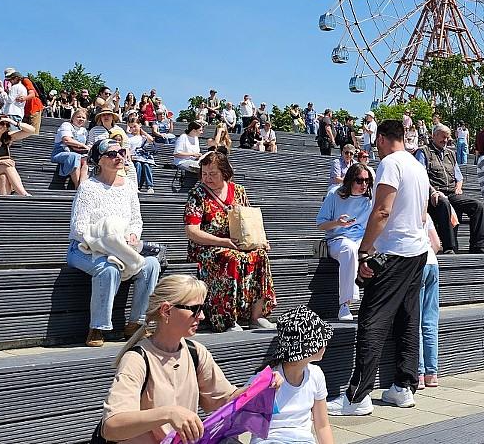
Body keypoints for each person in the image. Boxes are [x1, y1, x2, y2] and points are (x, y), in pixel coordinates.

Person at [100, 275, 283, 444]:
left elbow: (224, 398)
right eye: (195, 309)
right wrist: (168, 414)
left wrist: (261, 386)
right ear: (166, 311)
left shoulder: (196, 352)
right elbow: (111, 427)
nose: (202, 316)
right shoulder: (137, 359)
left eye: (202, 309)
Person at [326, 120, 430, 416]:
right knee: (409, 319)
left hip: (393, 252)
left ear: (383, 138)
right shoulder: (416, 166)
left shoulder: (390, 164)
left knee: (371, 320)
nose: (372, 145)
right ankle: (403, 387)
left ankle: (358, 397)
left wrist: (363, 251)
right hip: (417, 251)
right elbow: (421, 213)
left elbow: (382, 210)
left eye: (374, 140)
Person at [67, 139, 161, 347]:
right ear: (99, 160)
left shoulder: (128, 186)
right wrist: (109, 244)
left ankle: (136, 324)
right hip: (86, 248)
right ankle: (98, 327)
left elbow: (136, 220)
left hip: (121, 248)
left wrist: (134, 235)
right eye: (111, 154)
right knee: (109, 268)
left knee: (152, 265)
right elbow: (79, 229)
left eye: (121, 152)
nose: (118, 156)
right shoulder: (88, 188)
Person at [184, 151, 276, 332]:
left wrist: (260, 241)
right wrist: (223, 241)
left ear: (225, 173)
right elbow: (191, 231)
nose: (207, 178)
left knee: (260, 257)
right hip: (207, 247)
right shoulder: (197, 193)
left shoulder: (239, 191)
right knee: (230, 258)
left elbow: (249, 220)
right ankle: (226, 319)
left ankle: (256, 316)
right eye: (204, 174)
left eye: (213, 174)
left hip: (237, 242)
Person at [255, 306, 334, 444]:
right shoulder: (268, 378)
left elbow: (322, 426)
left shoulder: (316, 375)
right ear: (306, 347)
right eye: (320, 339)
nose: (325, 343)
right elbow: (237, 414)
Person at [316, 162, 373, 321]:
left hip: (361, 239)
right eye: (359, 180)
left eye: (367, 181)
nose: (364, 184)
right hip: (337, 239)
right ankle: (345, 304)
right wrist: (337, 223)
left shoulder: (369, 198)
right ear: (350, 180)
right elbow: (320, 224)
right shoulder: (335, 194)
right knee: (349, 249)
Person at [423, 124, 484, 254]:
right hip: (433, 194)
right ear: (434, 136)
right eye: (443, 137)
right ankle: (450, 247)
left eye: (448, 137)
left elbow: (458, 177)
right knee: (444, 203)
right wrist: (432, 191)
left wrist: (459, 187)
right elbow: (421, 176)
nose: (446, 140)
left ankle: (478, 245)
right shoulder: (424, 152)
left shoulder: (451, 154)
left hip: (451, 192)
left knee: (477, 205)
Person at [417, 206, 442, 391]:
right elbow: (437, 244)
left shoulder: (403, 210)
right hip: (432, 262)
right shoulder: (426, 214)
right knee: (430, 321)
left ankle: (418, 374)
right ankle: (432, 374)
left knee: (415, 322)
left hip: (416, 265)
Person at [51, 107, 90, 188]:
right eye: (78, 117)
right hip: (60, 152)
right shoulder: (66, 125)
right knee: (75, 157)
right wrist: (83, 145)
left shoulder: (84, 131)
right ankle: (77, 186)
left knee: (86, 160)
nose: (81, 119)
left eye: (83, 118)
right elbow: (66, 140)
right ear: (73, 117)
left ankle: (81, 185)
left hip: (79, 153)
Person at [125, 119, 157, 194]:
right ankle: (136, 185)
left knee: (146, 165)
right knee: (138, 165)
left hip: (144, 157)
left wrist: (142, 131)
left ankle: (150, 186)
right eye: (131, 127)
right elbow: (128, 149)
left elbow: (151, 139)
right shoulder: (128, 137)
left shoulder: (143, 137)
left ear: (140, 125)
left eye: (135, 126)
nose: (133, 129)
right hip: (134, 157)